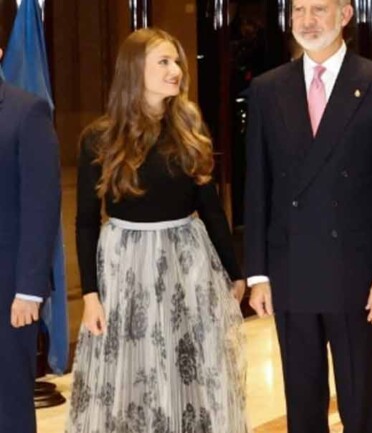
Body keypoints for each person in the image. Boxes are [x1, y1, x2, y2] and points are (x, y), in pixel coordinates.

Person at [244, 0, 372, 431]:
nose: (306, 20)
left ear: (345, 15)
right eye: (298, 10)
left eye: (318, 9)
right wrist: (258, 273)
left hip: (357, 275)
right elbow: (257, 187)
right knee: (302, 402)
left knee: (359, 403)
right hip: (291, 270)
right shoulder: (267, 89)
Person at [65, 29, 247, 433]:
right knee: (133, 371)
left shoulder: (188, 126)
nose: (176, 70)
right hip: (125, 268)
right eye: (163, 62)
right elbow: (84, 222)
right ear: (135, 71)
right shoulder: (100, 138)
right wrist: (91, 296)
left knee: (189, 367)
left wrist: (234, 272)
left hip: (185, 264)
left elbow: (211, 208)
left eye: (177, 61)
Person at [0, 48, 61, 433]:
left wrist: (30, 290)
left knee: (8, 402)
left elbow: (42, 205)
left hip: (9, 291)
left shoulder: (27, 112)